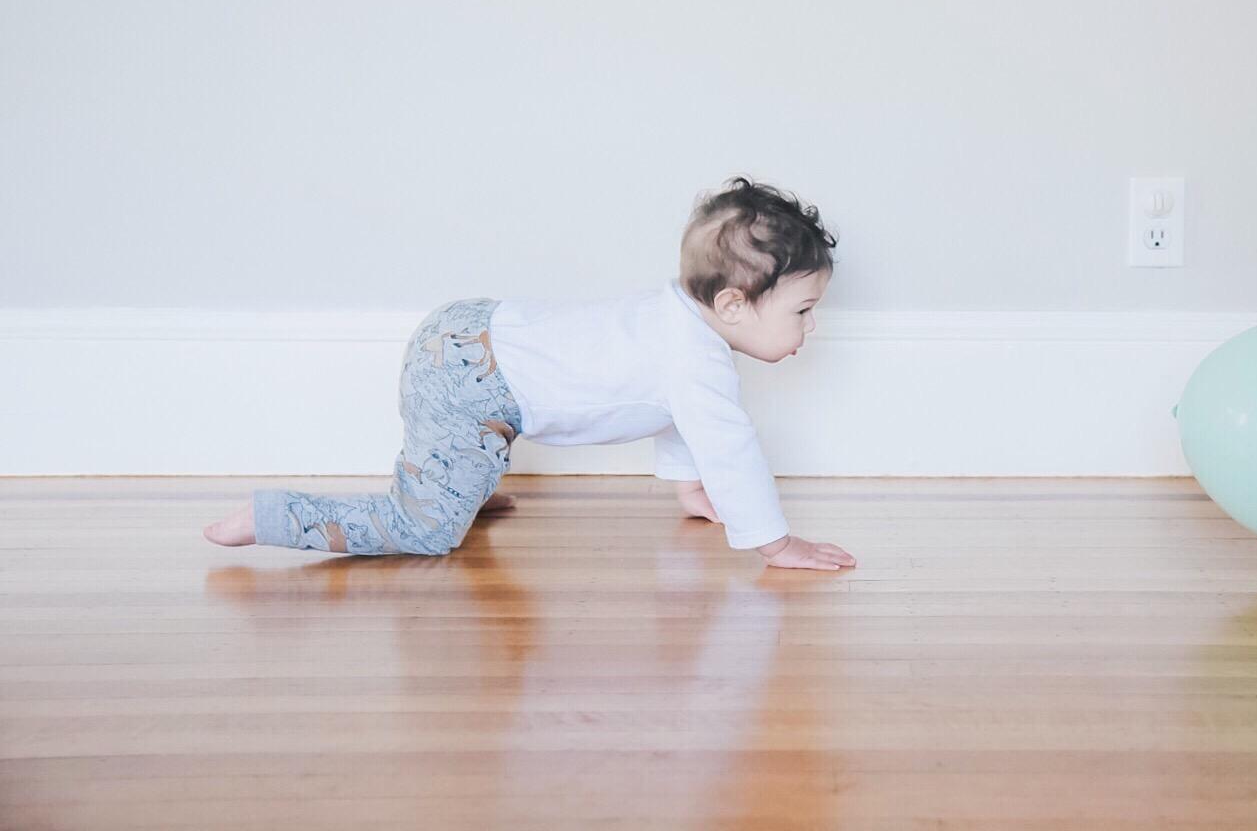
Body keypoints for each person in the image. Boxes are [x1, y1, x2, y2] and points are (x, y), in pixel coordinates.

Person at [203, 175, 857, 571]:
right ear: (733, 305)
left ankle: (463, 480)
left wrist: (689, 490)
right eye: (802, 309)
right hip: (472, 381)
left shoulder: (674, 323)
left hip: (472, 330)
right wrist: (775, 544)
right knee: (424, 530)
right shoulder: (694, 362)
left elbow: (675, 416)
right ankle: (271, 516)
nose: (810, 326)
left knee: (456, 470)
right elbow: (729, 448)